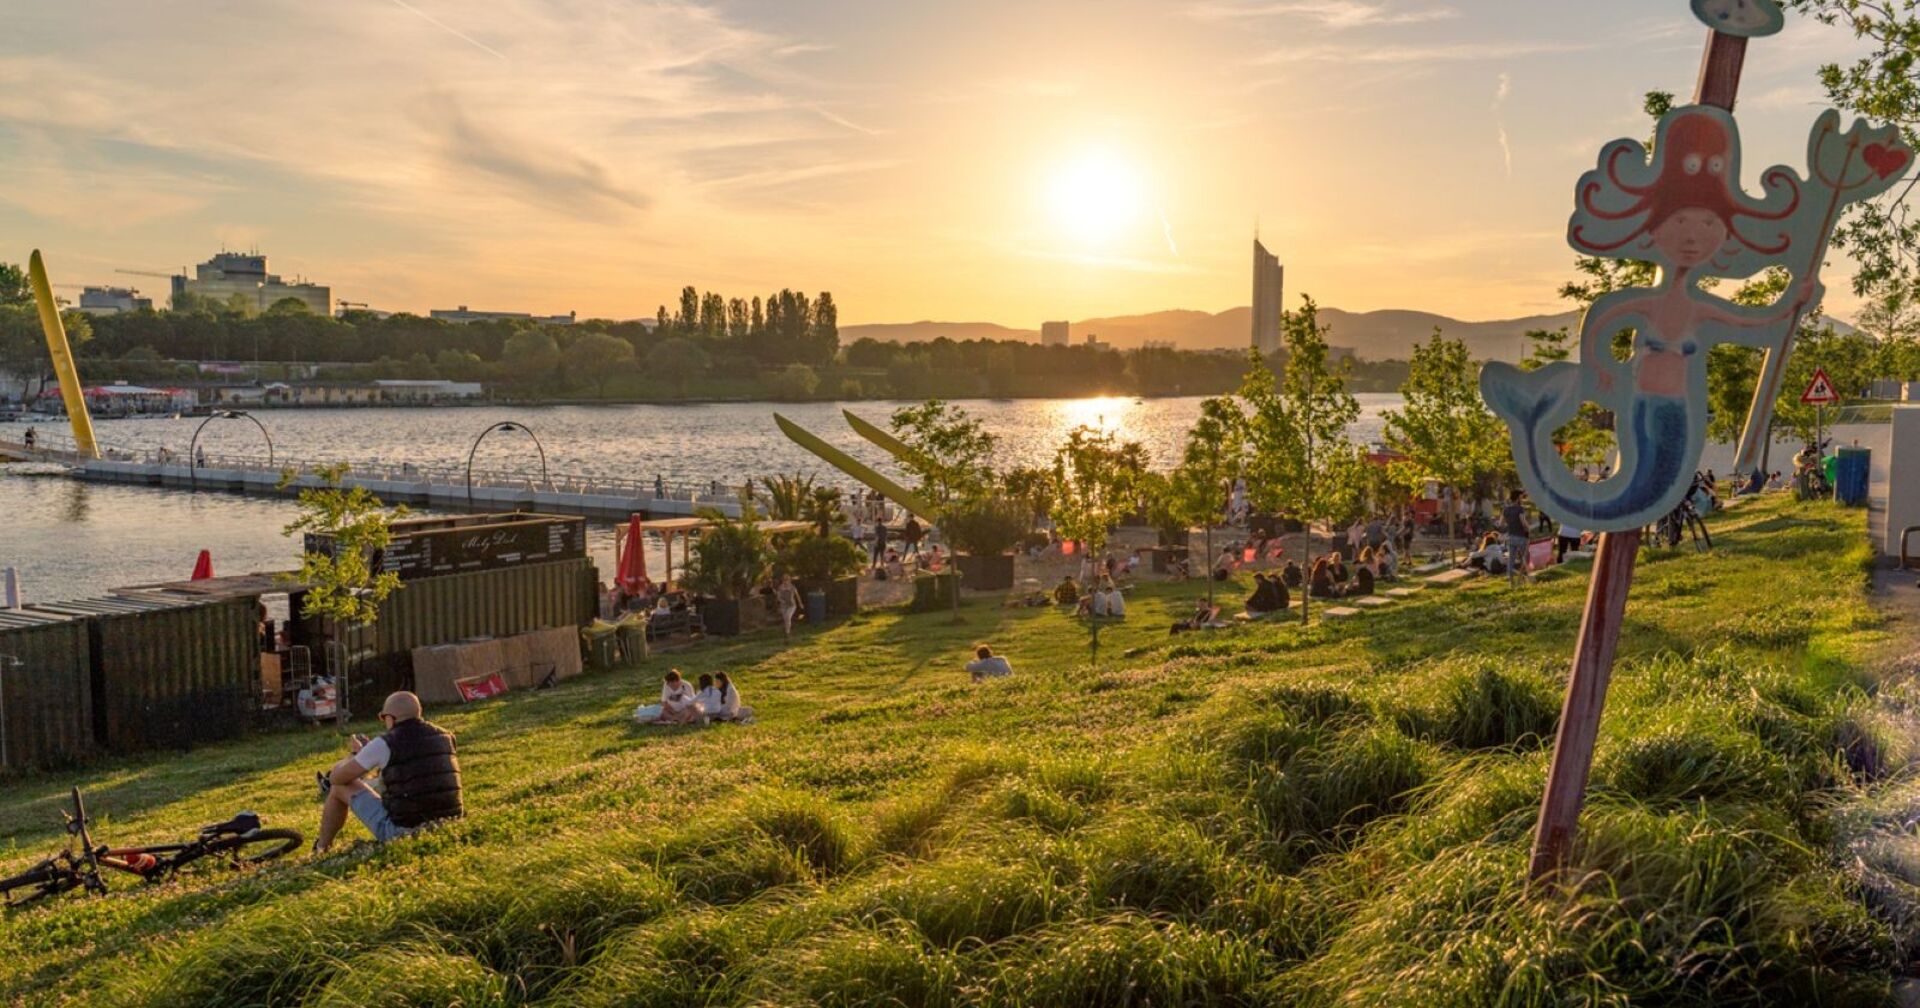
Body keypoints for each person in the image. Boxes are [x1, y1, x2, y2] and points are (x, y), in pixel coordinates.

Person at [313, 691, 462, 854]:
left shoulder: (385, 743)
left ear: (390, 717)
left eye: (383, 717)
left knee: (339, 788)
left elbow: (337, 778)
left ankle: (321, 848)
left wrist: (356, 754)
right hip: (451, 822)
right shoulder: (446, 736)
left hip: (404, 831)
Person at [1501, 489, 1531, 587]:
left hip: (1511, 537)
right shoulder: (1520, 509)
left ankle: (1511, 583)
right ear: (1518, 497)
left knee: (1511, 559)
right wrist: (1528, 528)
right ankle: (1523, 577)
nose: (1522, 498)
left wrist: (1511, 524)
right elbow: (1523, 522)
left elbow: (1501, 523)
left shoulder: (1506, 509)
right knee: (1525, 557)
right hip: (1521, 537)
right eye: (1521, 497)